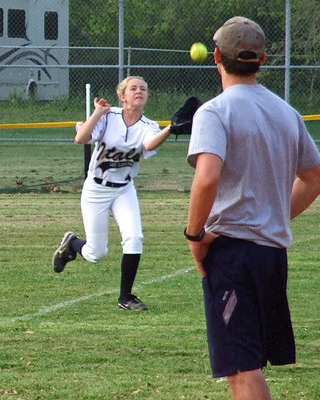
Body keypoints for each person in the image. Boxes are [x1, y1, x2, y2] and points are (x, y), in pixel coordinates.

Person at [184, 16, 320, 400]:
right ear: (262, 59)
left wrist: (194, 235)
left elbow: (207, 178)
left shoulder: (214, 111)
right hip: (271, 256)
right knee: (248, 363)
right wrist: (273, 214)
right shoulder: (286, 112)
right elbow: (314, 177)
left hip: (232, 255)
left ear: (216, 58)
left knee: (243, 369)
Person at [52, 76, 172, 311]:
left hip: (124, 189)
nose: (139, 91)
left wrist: (170, 129)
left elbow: (148, 145)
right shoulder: (109, 117)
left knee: (134, 238)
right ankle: (72, 243)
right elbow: (80, 138)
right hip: (96, 188)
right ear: (122, 96)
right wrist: (98, 112)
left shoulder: (149, 126)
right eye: (133, 88)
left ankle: (125, 297)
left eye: (143, 89)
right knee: (96, 253)